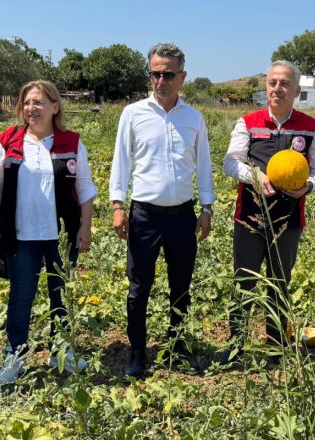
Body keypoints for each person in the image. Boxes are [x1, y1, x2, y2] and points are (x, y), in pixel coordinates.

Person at [109, 42, 215, 379]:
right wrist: (117, 205)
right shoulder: (133, 114)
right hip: (144, 216)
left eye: (168, 74)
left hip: (183, 216)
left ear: (182, 76)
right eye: (155, 73)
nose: (161, 80)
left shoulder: (193, 118)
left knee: (181, 285)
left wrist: (207, 207)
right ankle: (137, 351)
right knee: (139, 287)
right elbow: (121, 162)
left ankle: (178, 345)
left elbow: (204, 166)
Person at [217, 60, 315, 366]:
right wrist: (254, 175)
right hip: (249, 219)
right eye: (272, 83)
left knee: (280, 283)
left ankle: (276, 347)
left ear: (296, 90)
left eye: (284, 84)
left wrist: (307, 185)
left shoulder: (312, 128)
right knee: (243, 283)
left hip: (288, 222)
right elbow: (230, 162)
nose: (277, 89)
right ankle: (236, 344)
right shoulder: (248, 122)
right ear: (266, 87)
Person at [0, 80, 98, 385]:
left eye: (38, 102)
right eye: (26, 103)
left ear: (55, 107)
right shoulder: (9, 141)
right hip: (20, 236)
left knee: (61, 296)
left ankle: (61, 352)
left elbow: (85, 189)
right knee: (20, 297)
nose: (31, 108)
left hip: (60, 235)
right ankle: (16, 355)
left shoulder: (71, 143)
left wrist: (85, 227)